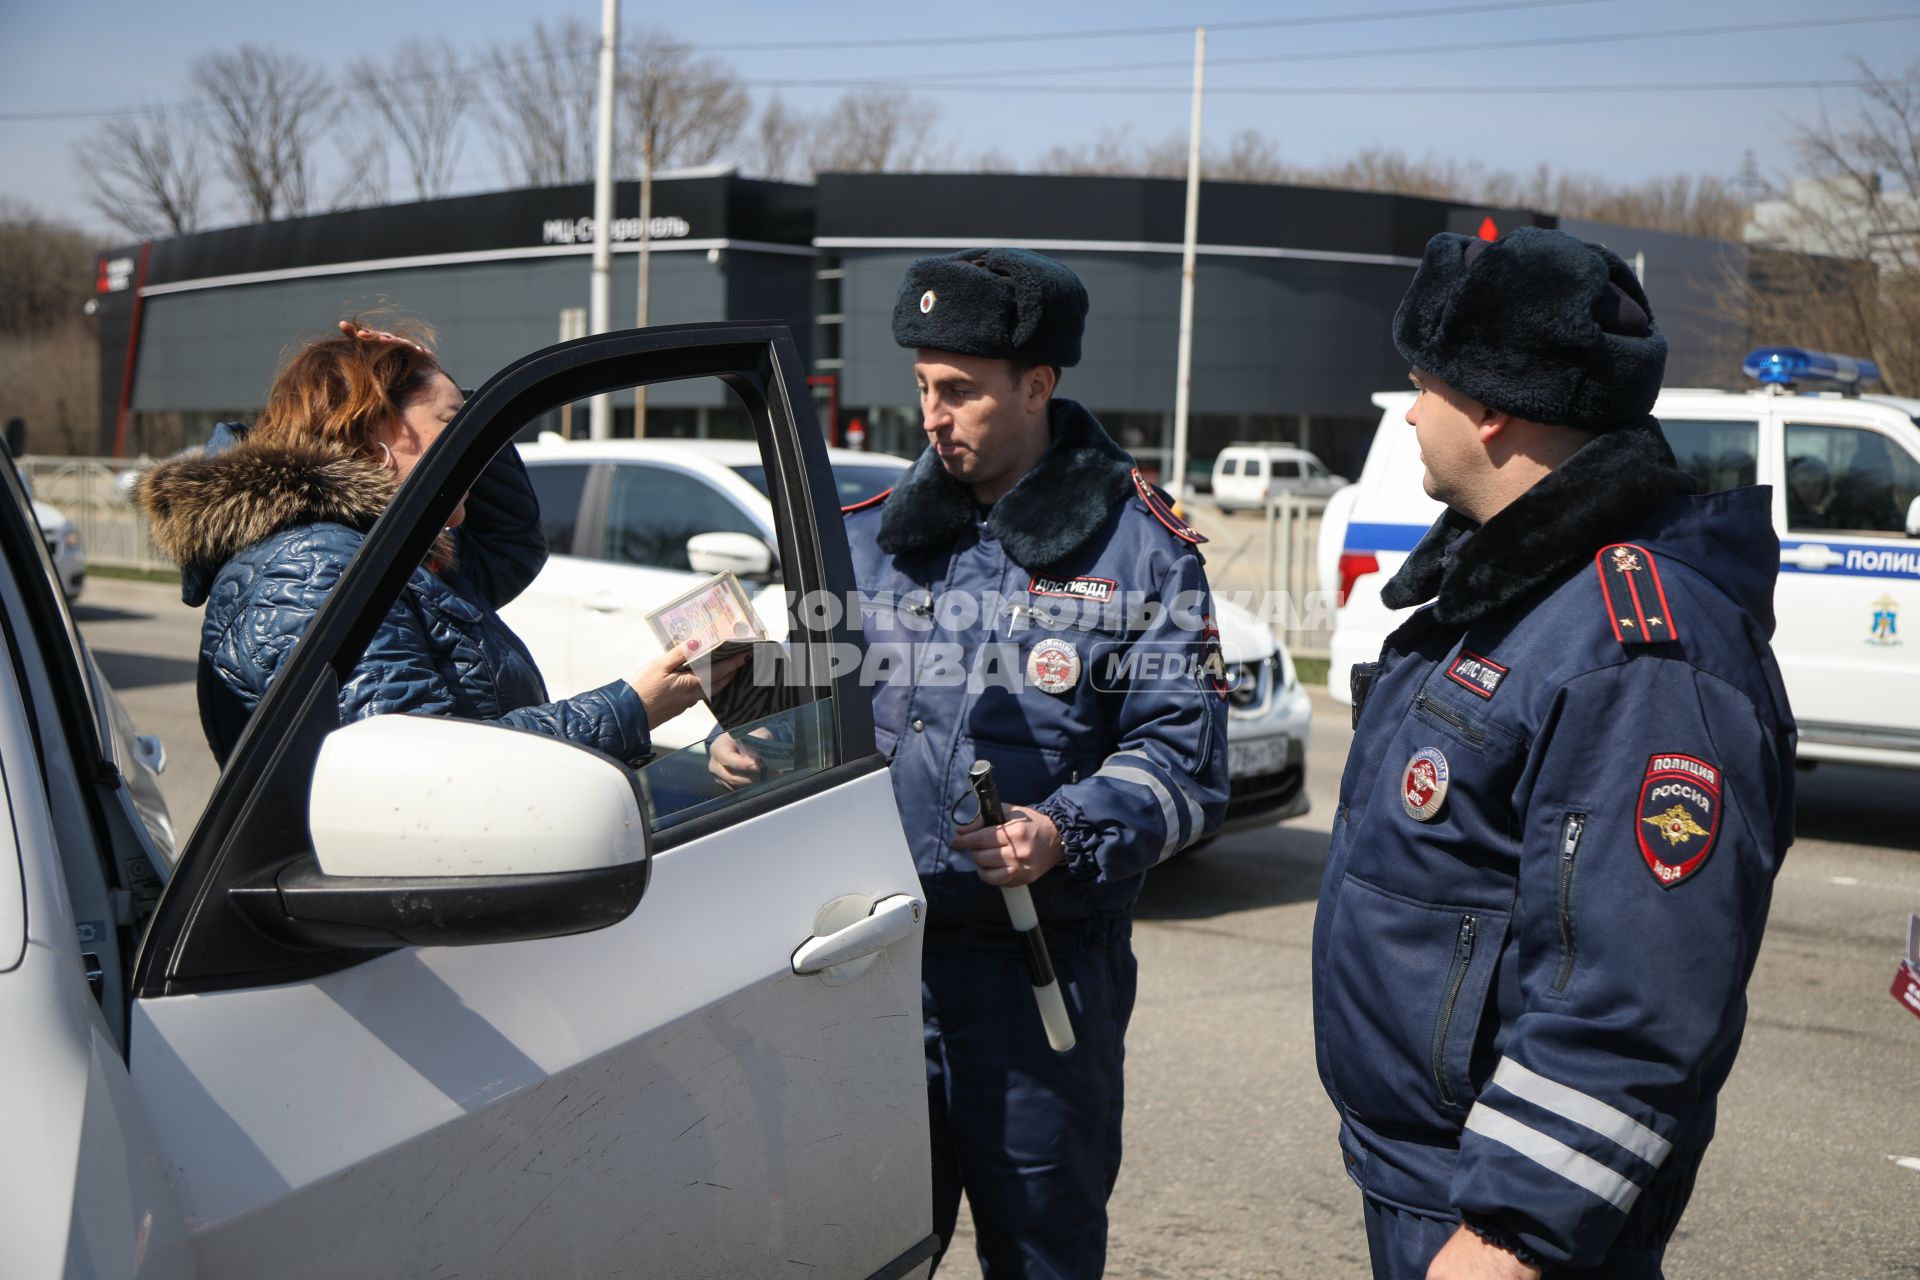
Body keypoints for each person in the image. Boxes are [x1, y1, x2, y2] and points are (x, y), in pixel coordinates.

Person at [1313, 228, 1795, 1279]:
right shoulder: (1521, 593)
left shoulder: (1638, 655)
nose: (1411, 414)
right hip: (1433, 1179)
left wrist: (1512, 1230)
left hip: (1509, 1218)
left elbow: (1641, 990)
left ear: (1490, 408)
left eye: (1422, 385)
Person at [814, 248, 1226, 1277]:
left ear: (1038, 385)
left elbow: (1185, 767)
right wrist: (750, 740)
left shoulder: (1141, 551)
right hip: (872, 968)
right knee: (851, 1248)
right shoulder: (869, 543)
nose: (932, 415)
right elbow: (814, 707)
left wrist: (1064, 829)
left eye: (959, 391)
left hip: (1038, 979)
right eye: (922, 388)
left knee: (1041, 1253)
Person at [138, 319, 739, 764]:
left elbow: (510, 543)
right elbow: (428, 769)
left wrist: (456, 396)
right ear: (375, 431)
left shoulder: (387, 550)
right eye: (457, 425)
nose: (474, 446)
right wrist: (631, 708)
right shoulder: (315, 564)